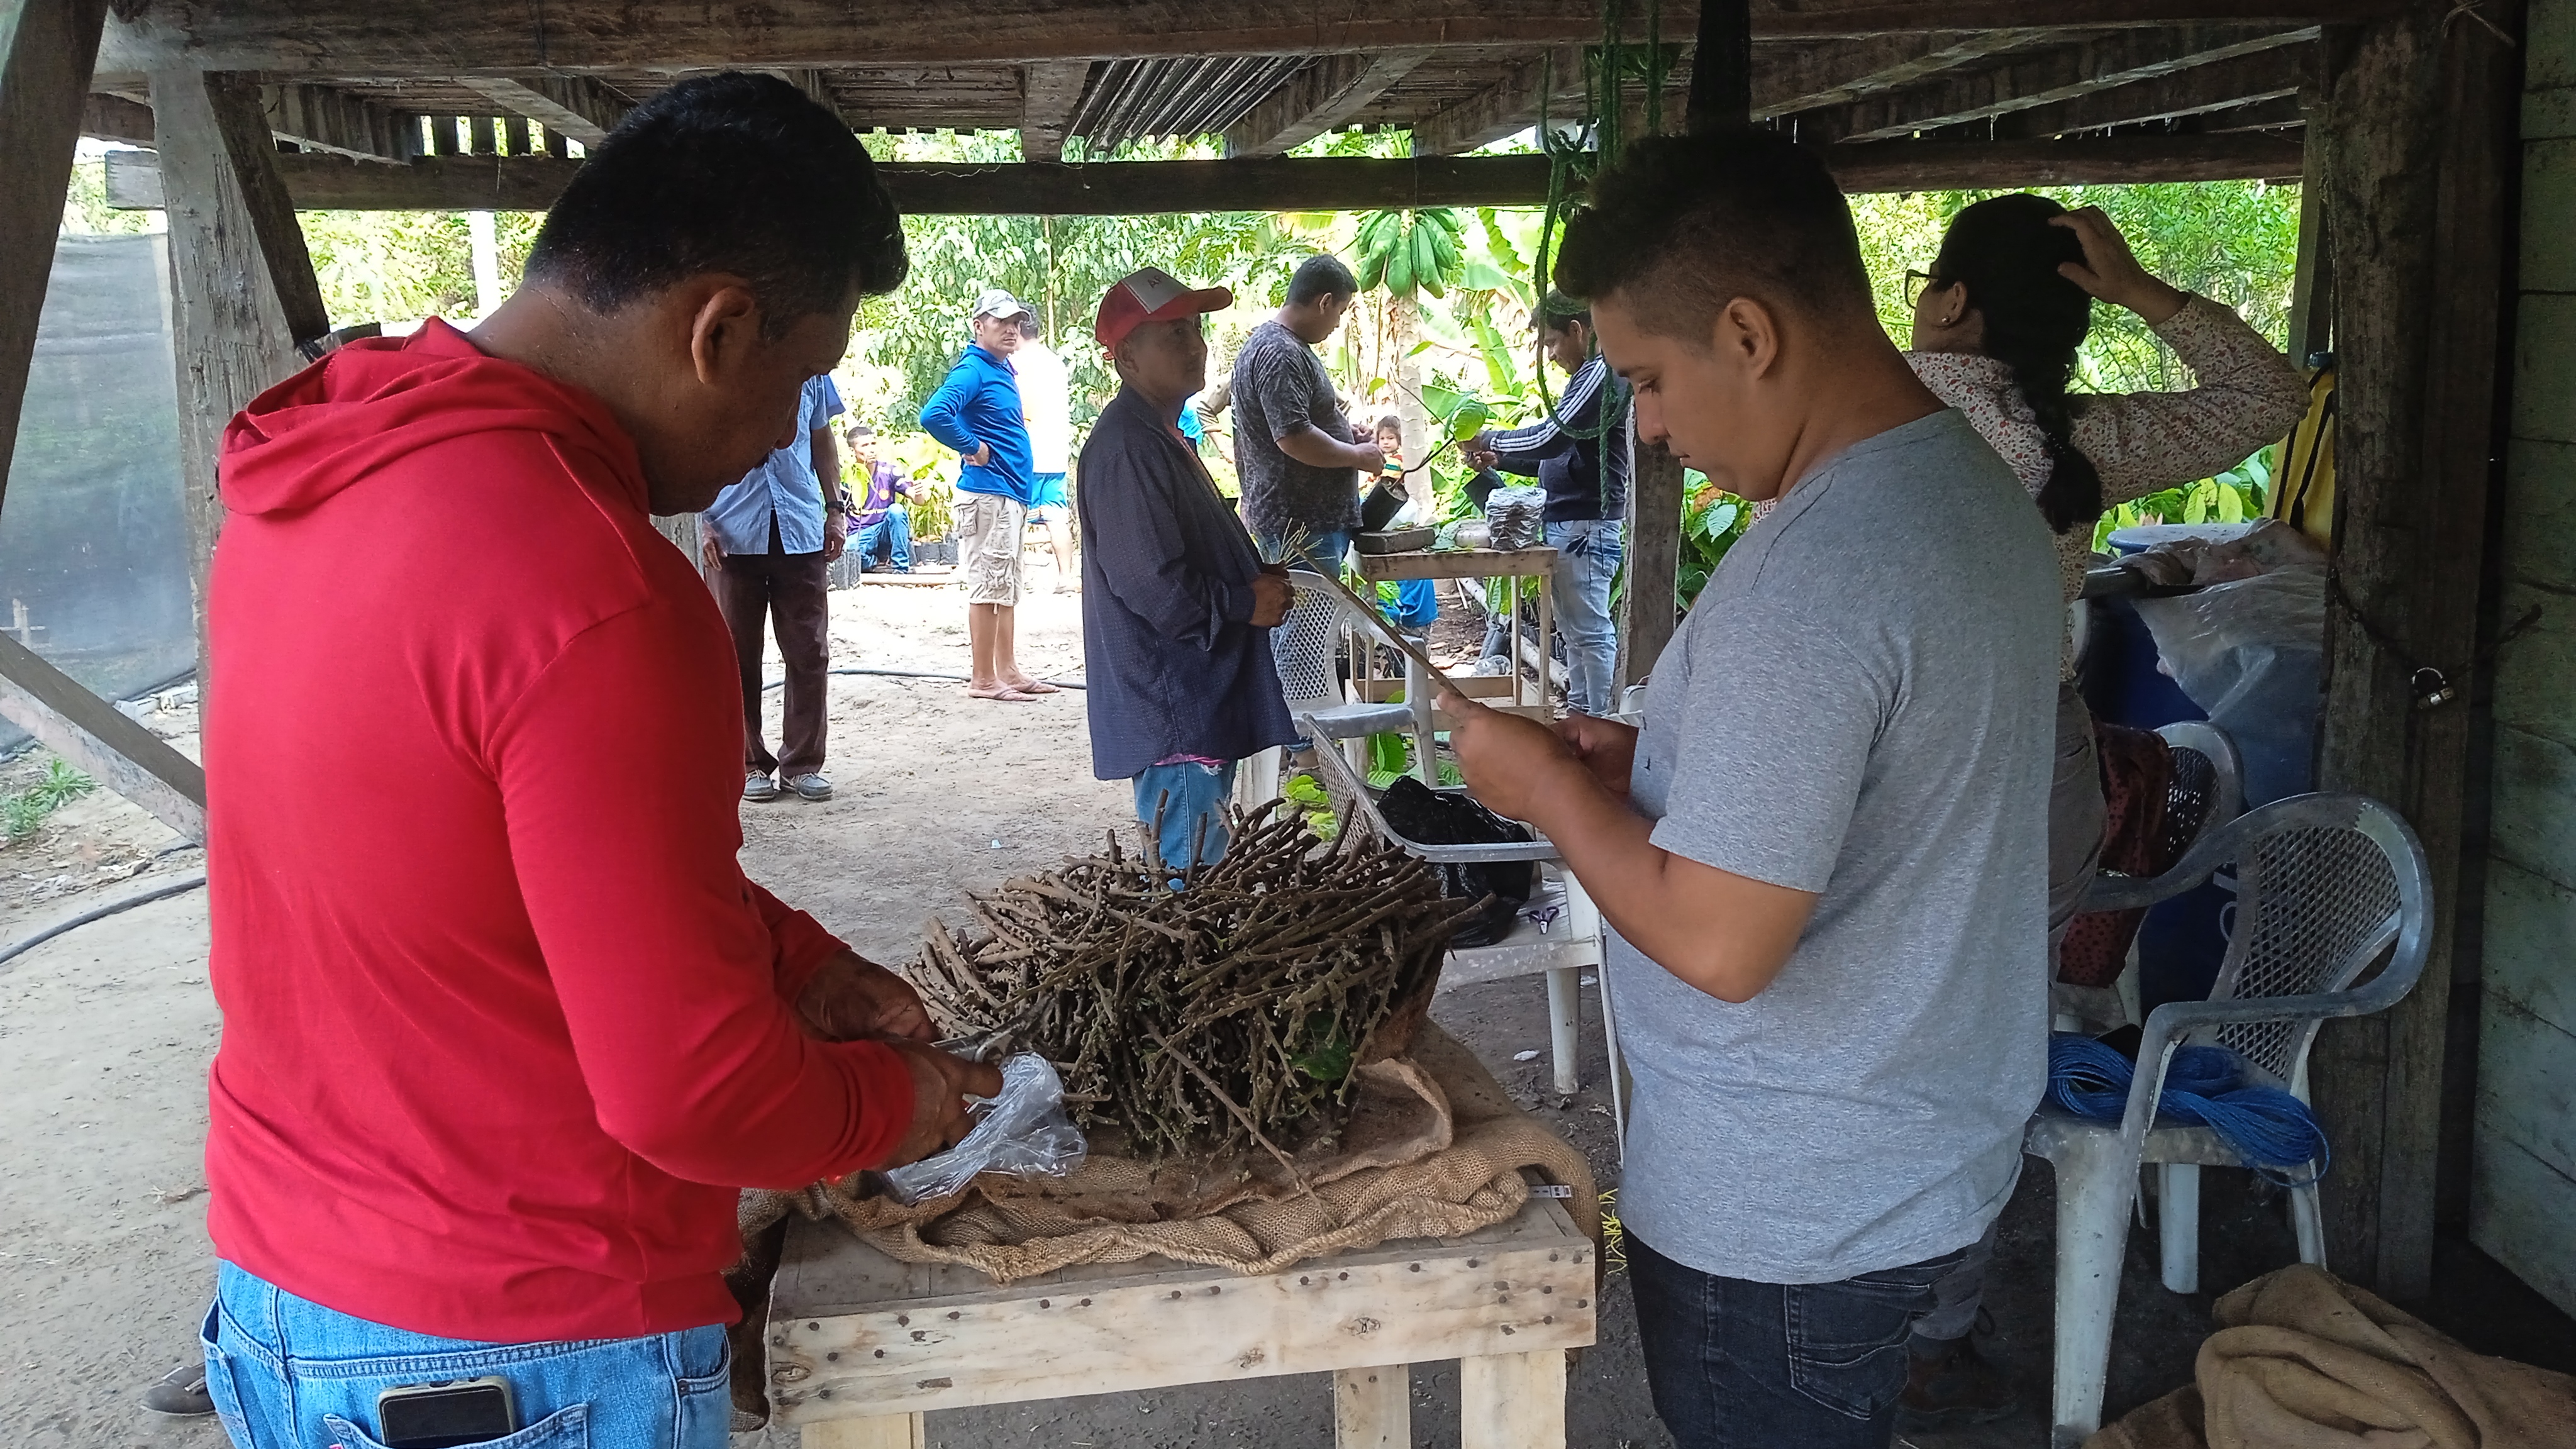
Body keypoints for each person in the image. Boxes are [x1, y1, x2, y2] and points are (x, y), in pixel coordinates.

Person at [190, 73, 999, 1449]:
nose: (782, 433)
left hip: (289, 1293)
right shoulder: (594, 586)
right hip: (520, 1339)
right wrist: (901, 1105)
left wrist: (793, 956)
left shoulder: (314, 469)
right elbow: (696, 1093)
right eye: (796, 382)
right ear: (718, 331)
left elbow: (485, 862)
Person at [1435, 130, 2059, 1449]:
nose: (1649, 426)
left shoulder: (1822, 570)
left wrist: (1547, 792)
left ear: (1747, 333)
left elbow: (1722, 944)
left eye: (1648, 380)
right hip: (1912, 1153)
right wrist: (1653, 765)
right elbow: (1888, 788)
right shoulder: (1964, 490)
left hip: (1786, 1212)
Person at [1890, 196, 2306, 1426]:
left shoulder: (1870, 412)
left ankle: (1862, 1315)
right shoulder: (2072, 441)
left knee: (1877, 1050)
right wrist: (2140, 292)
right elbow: (2269, 397)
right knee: (1983, 1060)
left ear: (1951, 300)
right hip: (2032, 783)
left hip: (1892, 784)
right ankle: (1934, 1333)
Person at [1075, 268, 1297, 869]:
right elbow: (1151, 583)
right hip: (1176, 706)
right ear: (1127, 357)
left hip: (1192, 699)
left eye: (1195, 329)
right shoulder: (1127, 448)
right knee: (1189, 876)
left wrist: (1251, 574)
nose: (1195, 345)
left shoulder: (1159, 434)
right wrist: (1243, 601)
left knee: (1198, 867)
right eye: (1174, 334)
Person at [1467, 292, 1631, 716]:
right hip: (1572, 524)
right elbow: (1555, 453)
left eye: (1552, 342)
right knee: (1576, 632)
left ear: (1578, 331)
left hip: (1585, 525)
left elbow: (1551, 438)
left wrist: (1490, 439)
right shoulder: (1586, 378)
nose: (1551, 355)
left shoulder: (1600, 372)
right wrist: (1499, 457)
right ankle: (1582, 714)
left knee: (1589, 631)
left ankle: (1602, 720)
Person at [702, 371, 846, 802]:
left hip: (799, 527)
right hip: (731, 533)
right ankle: (749, 764)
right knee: (737, 654)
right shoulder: (716, 367)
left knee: (809, 652)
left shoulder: (812, 373)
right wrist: (701, 520)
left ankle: (802, 764)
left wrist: (835, 509)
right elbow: (693, 444)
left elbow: (822, 439)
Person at [921, 289, 1053, 702]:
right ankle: (983, 678)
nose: (1011, 329)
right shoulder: (974, 370)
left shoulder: (1000, 368)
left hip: (1008, 493)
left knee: (1005, 584)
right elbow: (934, 414)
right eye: (1001, 322)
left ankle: (1007, 670)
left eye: (1015, 322)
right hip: (988, 495)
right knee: (988, 585)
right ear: (979, 326)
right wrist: (973, 446)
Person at [1231, 253, 1383, 572]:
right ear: (1324, 302)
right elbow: (1294, 437)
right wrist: (1355, 455)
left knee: (1318, 606)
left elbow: (1293, 420)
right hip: (1301, 527)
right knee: (1310, 606)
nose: (1338, 323)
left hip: (1306, 525)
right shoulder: (1280, 352)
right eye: (1340, 312)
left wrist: (1345, 433)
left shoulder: (1283, 346)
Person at [1013, 313, 1080, 590]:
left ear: (1017, 328)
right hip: (1055, 452)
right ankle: (1066, 577)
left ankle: (1019, 576)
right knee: (1056, 515)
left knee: (1016, 515)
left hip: (1024, 453)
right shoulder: (1055, 363)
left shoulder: (1014, 363)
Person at [846, 423, 914, 573]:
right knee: (847, 550)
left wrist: (919, 492)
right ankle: (876, 563)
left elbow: (916, 498)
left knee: (897, 510)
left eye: (873, 444)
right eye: (865, 445)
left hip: (884, 530)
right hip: (860, 534)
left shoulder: (889, 471)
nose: (871, 449)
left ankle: (901, 569)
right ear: (853, 451)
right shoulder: (846, 476)